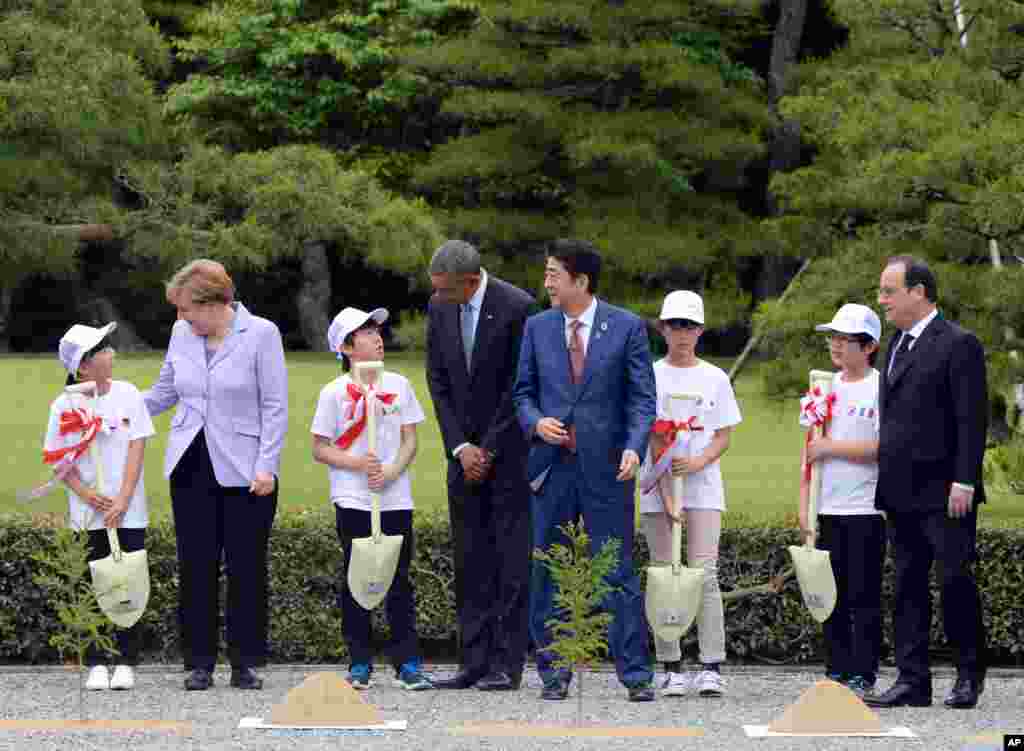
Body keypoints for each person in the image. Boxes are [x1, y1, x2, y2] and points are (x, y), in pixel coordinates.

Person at [513, 239, 657, 702]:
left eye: (555, 274)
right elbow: (522, 393)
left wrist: (635, 447)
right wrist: (536, 422)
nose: (547, 282)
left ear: (582, 281)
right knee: (547, 570)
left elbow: (642, 399)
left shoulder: (627, 327)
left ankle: (634, 674)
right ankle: (553, 674)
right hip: (551, 470)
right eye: (547, 272)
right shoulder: (536, 328)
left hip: (608, 472)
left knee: (614, 571)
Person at [144, 259, 288, 691]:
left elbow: (275, 406)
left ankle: (245, 662)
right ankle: (199, 662)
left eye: (186, 308)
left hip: (247, 470)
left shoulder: (261, 334)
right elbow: (164, 391)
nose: (180, 317)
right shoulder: (180, 334)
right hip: (190, 463)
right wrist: (115, 405)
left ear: (212, 303)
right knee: (195, 566)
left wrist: (267, 466)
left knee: (246, 567)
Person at [865, 256, 988, 710]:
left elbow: (971, 418)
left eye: (888, 291)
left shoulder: (959, 343)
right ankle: (912, 680)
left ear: (918, 292)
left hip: (946, 491)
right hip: (901, 492)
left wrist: (965, 480)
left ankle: (968, 676)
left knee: (955, 581)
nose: (882, 301)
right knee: (907, 587)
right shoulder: (895, 344)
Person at [425, 240, 535, 692]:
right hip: (462, 458)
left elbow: (519, 384)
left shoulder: (518, 307)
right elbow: (438, 380)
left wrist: (486, 449)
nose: (437, 297)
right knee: (469, 558)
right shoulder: (440, 309)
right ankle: (472, 660)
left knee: (509, 560)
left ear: (471, 282)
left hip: (507, 457)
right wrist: (460, 448)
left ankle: (506, 664)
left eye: (445, 290)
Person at [311, 307, 433, 691]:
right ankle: (359, 660)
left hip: (395, 498)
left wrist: (392, 471)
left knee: (399, 579)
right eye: (365, 332)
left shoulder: (399, 384)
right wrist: (357, 464)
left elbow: (411, 439)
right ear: (347, 347)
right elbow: (320, 448)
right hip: (352, 498)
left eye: (377, 330)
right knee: (357, 576)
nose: (377, 337)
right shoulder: (333, 393)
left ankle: (407, 662)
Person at [638, 291, 741, 698]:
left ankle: (711, 664)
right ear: (663, 329)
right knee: (665, 572)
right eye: (675, 325)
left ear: (700, 330)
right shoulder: (650, 374)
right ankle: (670, 664)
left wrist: (698, 464)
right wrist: (666, 494)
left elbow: (723, 435)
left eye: (690, 326)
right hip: (657, 489)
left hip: (703, 490)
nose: (683, 334)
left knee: (704, 573)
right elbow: (651, 436)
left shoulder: (715, 377)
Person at [43, 322, 155, 691]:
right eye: (103, 351)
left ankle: (126, 659)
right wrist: (88, 494)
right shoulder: (65, 404)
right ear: (84, 366)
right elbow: (58, 460)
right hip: (88, 512)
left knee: (128, 580)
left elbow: (137, 447)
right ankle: (95, 660)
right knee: (96, 582)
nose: (112, 355)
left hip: (129, 509)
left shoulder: (128, 395)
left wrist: (122, 499)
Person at [800, 303, 884, 699]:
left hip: (867, 508)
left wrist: (831, 447)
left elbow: (885, 448)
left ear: (868, 346)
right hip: (827, 507)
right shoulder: (822, 386)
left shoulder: (883, 386)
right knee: (828, 595)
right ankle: (836, 669)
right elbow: (809, 451)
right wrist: (805, 508)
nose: (835, 344)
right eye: (832, 336)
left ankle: (864, 673)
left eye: (845, 339)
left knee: (863, 595)